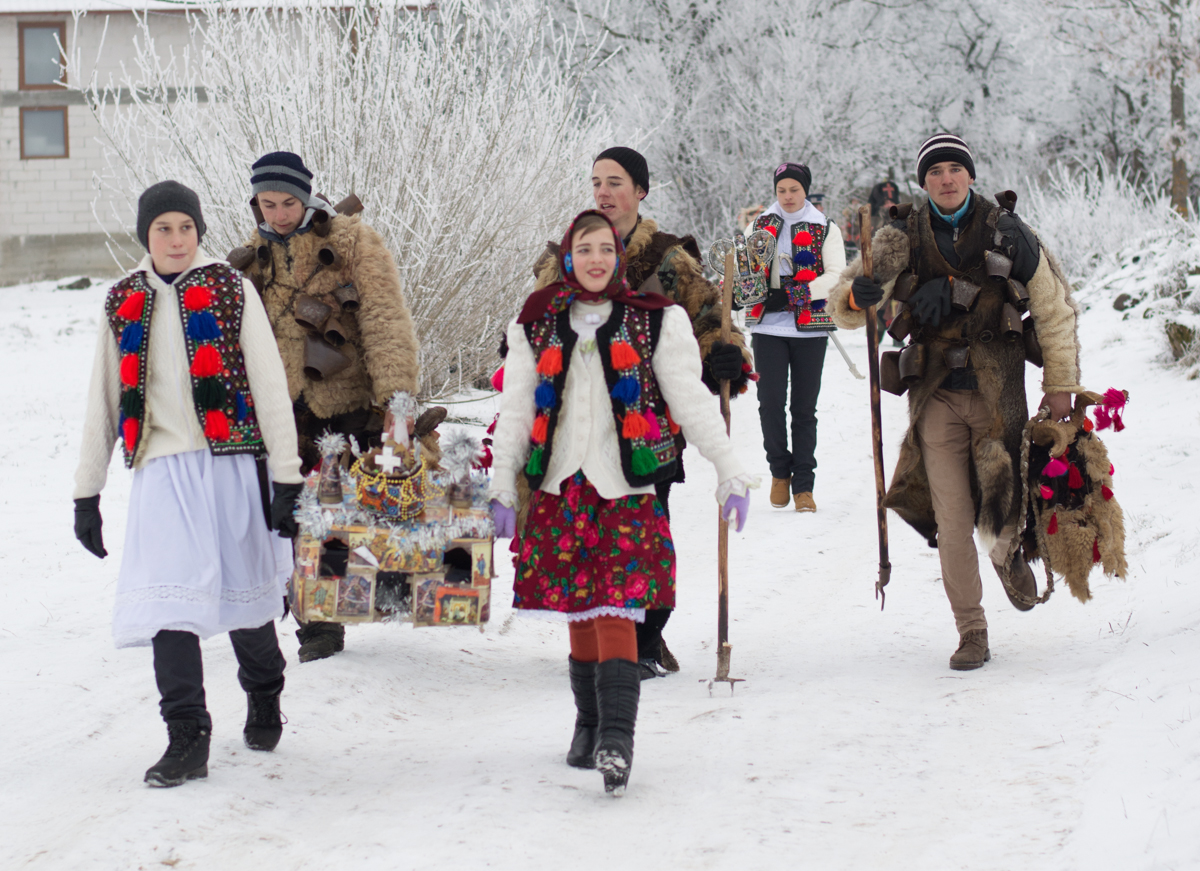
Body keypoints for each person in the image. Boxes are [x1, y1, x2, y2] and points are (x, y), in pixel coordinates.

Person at [489, 210, 754, 795]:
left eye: (605, 249)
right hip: (561, 488)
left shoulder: (656, 321)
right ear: (567, 258)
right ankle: (587, 723)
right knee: (579, 610)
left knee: (616, 609)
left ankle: (616, 738)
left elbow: (690, 401)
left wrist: (730, 471)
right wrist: (503, 485)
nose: (595, 259)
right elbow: (516, 410)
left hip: (626, 490)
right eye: (584, 250)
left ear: (617, 256)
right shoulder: (534, 323)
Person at [72, 181, 305, 786]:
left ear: (198, 231)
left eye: (185, 227)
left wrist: (286, 477)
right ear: (145, 236)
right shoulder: (122, 300)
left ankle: (263, 690)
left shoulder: (231, 289)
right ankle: (187, 736)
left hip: (228, 464)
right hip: (160, 472)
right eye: (162, 229)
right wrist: (86, 492)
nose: (176, 240)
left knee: (246, 598)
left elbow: (269, 384)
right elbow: (102, 399)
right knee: (167, 604)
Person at [830, 133, 1084, 670]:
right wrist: (858, 297)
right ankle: (972, 630)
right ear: (923, 182)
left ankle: (1006, 554)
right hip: (935, 397)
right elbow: (847, 305)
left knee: (1003, 511)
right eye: (935, 172)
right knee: (953, 520)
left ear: (970, 175)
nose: (945, 178)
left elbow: (1055, 309)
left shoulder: (1010, 232)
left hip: (1000, 397)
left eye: (954, 169)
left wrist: (1060, 383)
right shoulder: (900, 237)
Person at [530, 147, 754, 678]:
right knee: (584, 534)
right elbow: (534, 318)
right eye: (596, 182)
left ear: (640, 191)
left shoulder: (669, 261)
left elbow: (712, 321)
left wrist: (726, 354)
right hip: (578, 423)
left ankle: (647, 639)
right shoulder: (568, 253)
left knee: (647, 535)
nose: (603, 192)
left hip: (648, 422)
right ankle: (599, 638)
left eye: (615, 182)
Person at [231, 151, 421, 663]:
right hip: (285, 410)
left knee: (346, 515)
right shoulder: (253, 257)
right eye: (267, 204)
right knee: (295, 517)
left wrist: (396, 396)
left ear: (306, 194)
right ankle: (318, 624)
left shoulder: (352, 240)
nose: (278, 214)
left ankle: (375, 593)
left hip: (347, 401)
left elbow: (384, 318)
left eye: (288, 202)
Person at [746, 162, 846, 513]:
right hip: (768, 327)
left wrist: (795, 294)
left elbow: (836, 274)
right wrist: (755, 293)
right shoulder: (758, 226)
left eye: (794, 190)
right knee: (770, 403)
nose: (787, 197)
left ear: (805, 190)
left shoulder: (824, 228)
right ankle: (779, 471)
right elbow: (746, 270)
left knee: (804, 409)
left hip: (810, 326)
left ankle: (804, 485)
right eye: (781, 190)